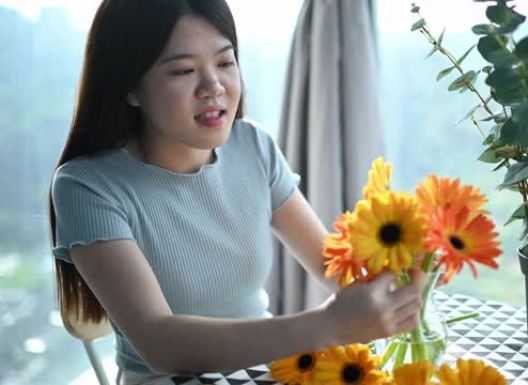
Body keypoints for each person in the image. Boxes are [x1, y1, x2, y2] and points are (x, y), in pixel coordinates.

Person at [49, 0, 424, 384]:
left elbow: (333, 265)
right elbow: (159, 344)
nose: (214, 87)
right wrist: (329, 324)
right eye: (183, 70)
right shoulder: (87, 186)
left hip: (267, 367)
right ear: (130, 88)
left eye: (226, 63)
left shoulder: (252, 146)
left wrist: (406, 267)